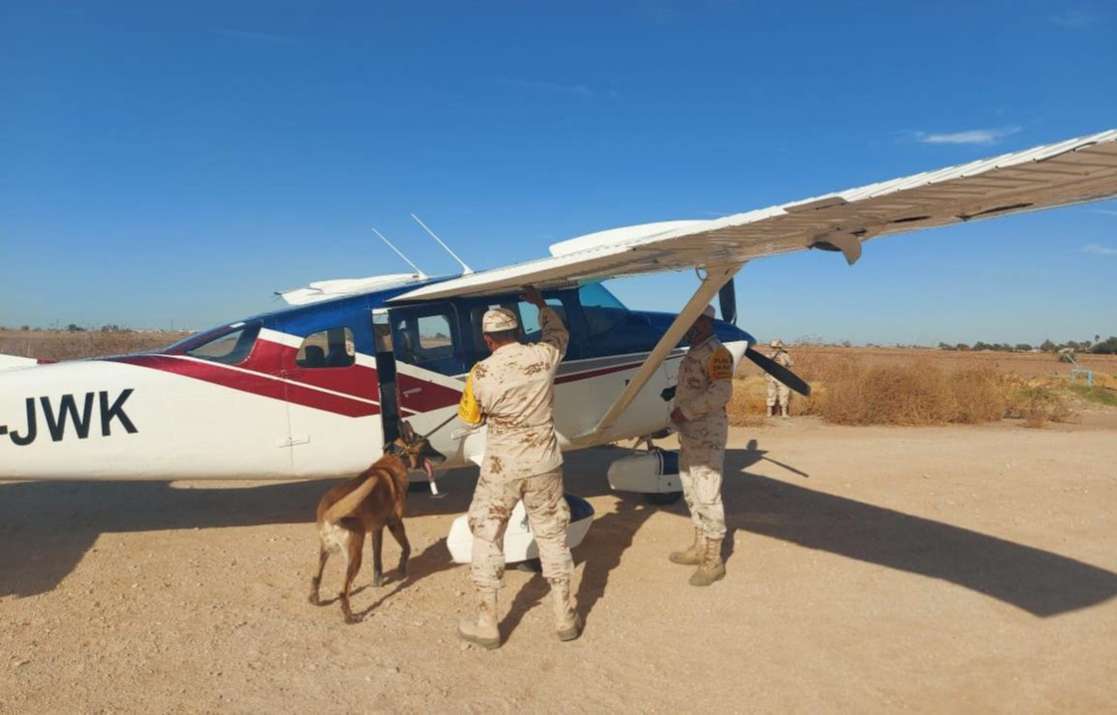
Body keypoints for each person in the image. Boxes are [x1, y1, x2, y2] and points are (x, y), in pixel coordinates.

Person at [455, 286, 580, 648]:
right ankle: (563, 617)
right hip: (544, 464)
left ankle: (487, 622)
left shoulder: (480, 373)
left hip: (502, 468)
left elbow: (470, 419)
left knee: (488, 534)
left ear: (488, 339)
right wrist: (541, 304)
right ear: (516, 332)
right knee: (552, 535)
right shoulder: (543, 356)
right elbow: (559, 334)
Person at [669, 305, 733, 587]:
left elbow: (721, 392)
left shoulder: (717, 354)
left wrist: (687, 412)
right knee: (691, 491)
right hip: (690, 434)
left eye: (694, 323)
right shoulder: (693, 353)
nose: (689, 329)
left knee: (707, 494)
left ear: (706, 323)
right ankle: (699, 547)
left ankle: (713, 561)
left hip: (707, 434)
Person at [765, 339, 793, 417]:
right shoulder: (771, 355)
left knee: (780, 394)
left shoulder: (783, 355)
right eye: (773, 347)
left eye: (775, 347)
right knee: (774, 393)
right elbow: (790, 364)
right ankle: (772, 413)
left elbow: (790, 364)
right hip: (776, 377)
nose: (774, 349)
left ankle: (779, 413)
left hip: (778, 376)